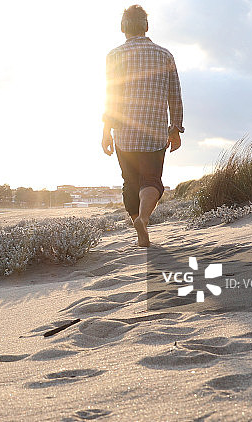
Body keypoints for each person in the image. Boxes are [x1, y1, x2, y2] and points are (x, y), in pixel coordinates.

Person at [101, 4, 183, 247]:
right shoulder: (165, 55)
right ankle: (144, 220)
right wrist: (175, 128)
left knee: (130, 182)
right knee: (152, 181)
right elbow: (174, 96)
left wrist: (106, 131)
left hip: (124, 134)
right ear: (146, 27)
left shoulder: (114, 55)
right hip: (155, 133)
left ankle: (138, 223)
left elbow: (111, 96)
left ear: (122, 28)